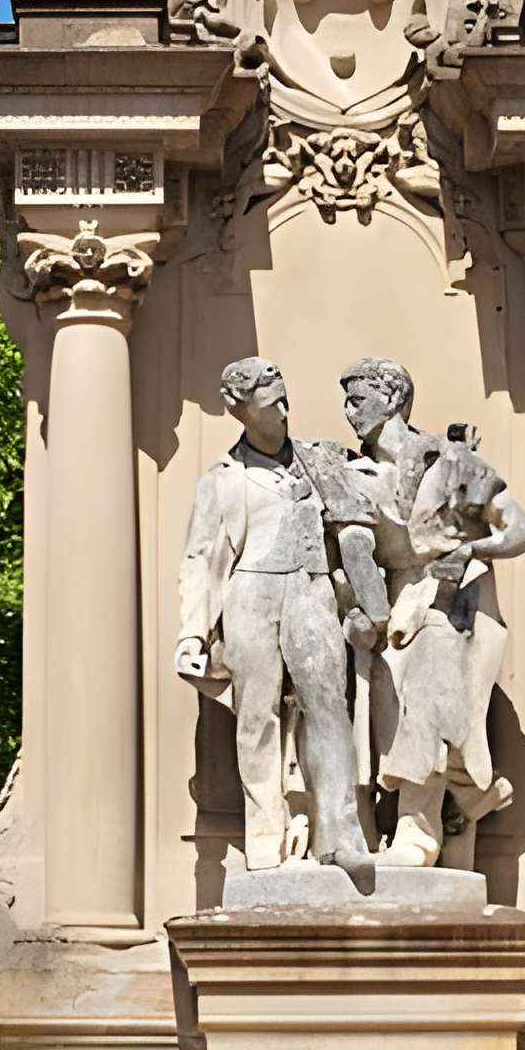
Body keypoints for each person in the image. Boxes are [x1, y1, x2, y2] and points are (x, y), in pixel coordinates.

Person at [174, 358, 376, 874]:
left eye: (283, 395)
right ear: (240, 408)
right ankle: (264, 831)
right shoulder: (223, 480)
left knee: (329, 705)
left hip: (310, 587)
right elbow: (201, 558)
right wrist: (193, 634)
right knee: (256, 715)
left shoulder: (319, 462)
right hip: (249, 592)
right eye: (269, 398)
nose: (282, 406)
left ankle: (341, 832)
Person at [337, 359, 525, 867]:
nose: (348, 411)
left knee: (428, 699)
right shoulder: (353, 473)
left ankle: (418, 837)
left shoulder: (451, 461)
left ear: (394, 397)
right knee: (391, 718)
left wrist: (474, 550)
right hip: (391, 603)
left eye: (358, 399)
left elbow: (521, 530)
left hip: (451, 600)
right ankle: (470, 795)